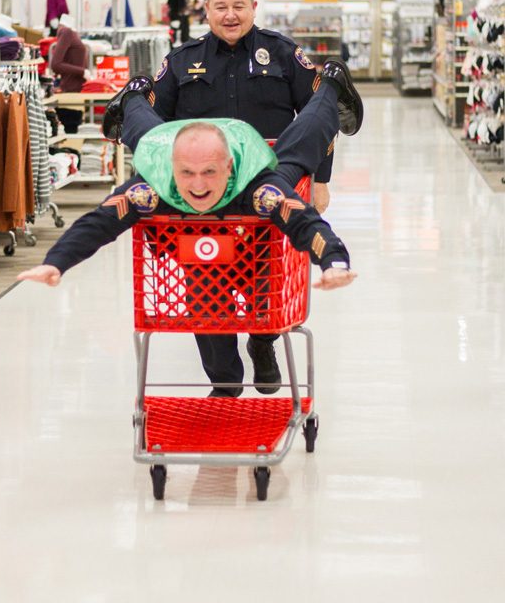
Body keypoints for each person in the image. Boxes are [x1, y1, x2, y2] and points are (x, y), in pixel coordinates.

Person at [103, 0, 364, 397]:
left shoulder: (282, 54)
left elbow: (319, 118)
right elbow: (160, 131)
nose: (230, 15)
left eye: (238, 6)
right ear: (206, 9)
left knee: (266, 280)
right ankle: (224, 381)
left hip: (267, 191)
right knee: (205, 291)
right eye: (220, 7)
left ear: (253, 8)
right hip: (199, 199)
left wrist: (321, 179)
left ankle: (263, 345)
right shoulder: (182, 60)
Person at [18, 91, 356, 397]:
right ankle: (133, 96)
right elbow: (100, 222)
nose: (197, 185)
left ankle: (329, 87)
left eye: (209, 172)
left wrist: (334, 261)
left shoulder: (259, 186)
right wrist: (56, 262)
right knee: (203, 290)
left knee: (300, 145)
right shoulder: (154, 184)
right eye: (186, 173)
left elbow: (304, 222)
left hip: (254, 251)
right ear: (172, 168)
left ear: (229, 166)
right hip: (200, 252)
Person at [50, 14, 91, 133]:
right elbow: (56, 64)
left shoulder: (68, 32)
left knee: (74, 131)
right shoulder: (66, 32)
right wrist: (82, 72)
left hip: (75, 90)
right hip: (71, 91)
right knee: (72, 132)